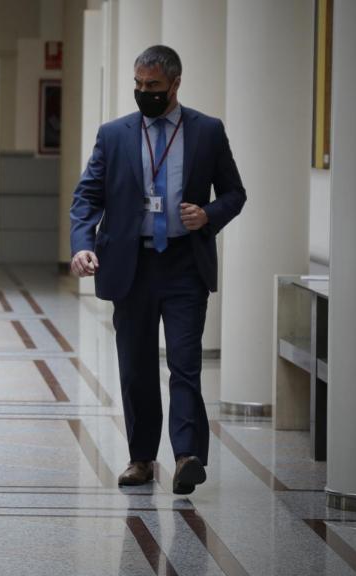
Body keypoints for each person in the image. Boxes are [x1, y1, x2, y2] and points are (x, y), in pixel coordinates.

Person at [69, 45, 246, 495]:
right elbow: (88, 196)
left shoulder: (206, 131)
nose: (143, 91)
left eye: (153, 85)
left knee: (185, 363)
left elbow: (234, 193)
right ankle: (142, 459)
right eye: (138, 84)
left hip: (185, 264)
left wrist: (207, 215)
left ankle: (187, 456)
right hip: (132, 265)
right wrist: (83, 245)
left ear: (175, 84)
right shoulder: (114, 134)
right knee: (137, 367)